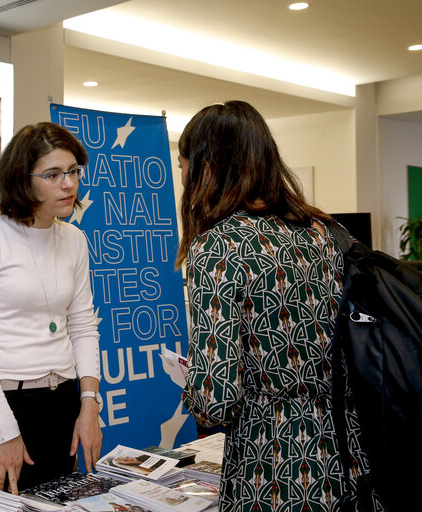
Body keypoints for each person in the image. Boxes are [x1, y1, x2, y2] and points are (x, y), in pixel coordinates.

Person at [178, 101, 382, 512]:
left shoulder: (219, 248)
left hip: (274, 463)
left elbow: (217, 398)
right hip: (351, 450)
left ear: (208, 168)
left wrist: (191, 387)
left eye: (183, 163)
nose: (182, 175)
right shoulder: (325, 232)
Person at [0, 122, 102, 494]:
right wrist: (4, 426)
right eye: (53, 174)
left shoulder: (74, 239)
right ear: (23, 179)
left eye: (73, 171)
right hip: (3, 402)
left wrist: (89, 404)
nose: (68, 184)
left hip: (63, 400)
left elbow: (84, 325)